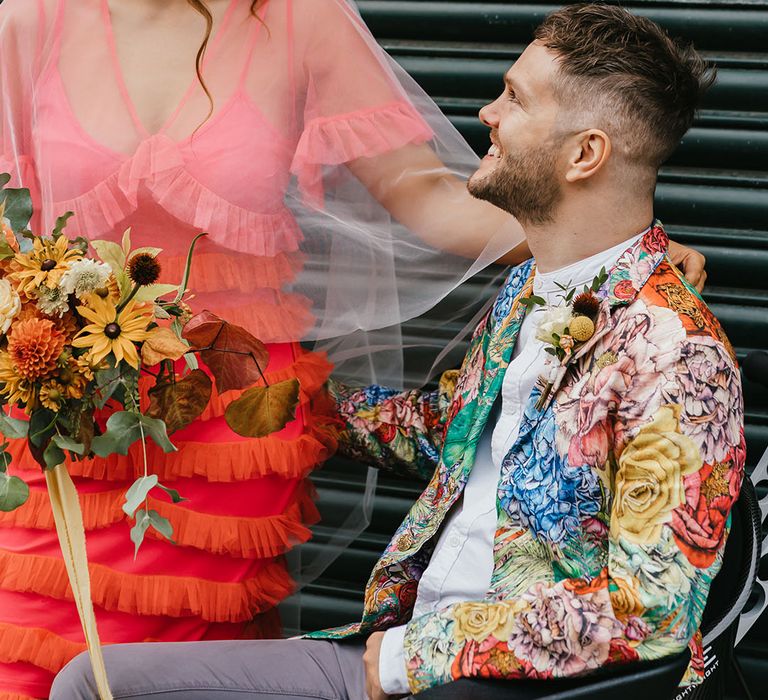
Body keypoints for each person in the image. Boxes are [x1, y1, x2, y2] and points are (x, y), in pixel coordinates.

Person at [0, 0, 706, 697]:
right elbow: (453, 432)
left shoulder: (301, 20)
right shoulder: (26, 20)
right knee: (35, 653)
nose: (487, 113)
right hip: (67, 412)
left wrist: (614, 251)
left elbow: (424, 191)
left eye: (511, 98)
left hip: (243, 444)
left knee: (171, 666)